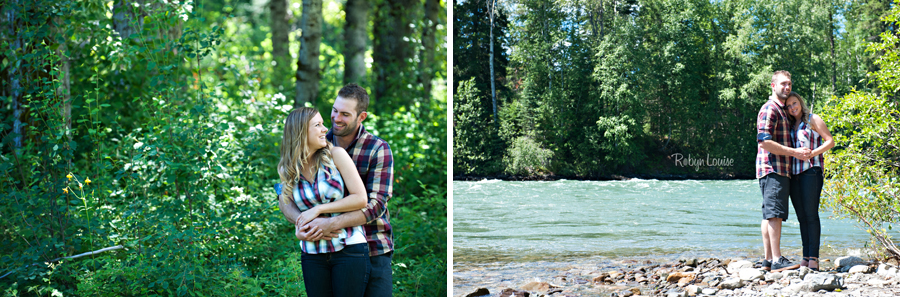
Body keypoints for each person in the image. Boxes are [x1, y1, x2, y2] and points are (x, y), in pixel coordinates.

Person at [286, 84, 395, 296]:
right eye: (335, 110)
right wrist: (302, 223)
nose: (336, 118)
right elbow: (285, 197)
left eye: (345, 114)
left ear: (361, 116)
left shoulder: (377, 149)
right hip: (324, 247)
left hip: (373, 246)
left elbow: (376, 205)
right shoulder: (317, 144)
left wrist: (330, 223)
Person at [276, 107, 371, 296]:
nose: (324, 129)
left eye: (322, 124)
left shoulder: (336, 155)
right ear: (301, 131)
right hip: (312, 253)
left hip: (348, 248)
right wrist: (300, 225)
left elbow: (361, 198)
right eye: (317, 125)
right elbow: (284, 200)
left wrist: (319, 209)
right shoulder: (288, 167)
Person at [756, 70, 809, 272]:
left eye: (789, 84)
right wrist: (795, 153)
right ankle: (778, 259)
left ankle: (768, 260)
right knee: (775, 214)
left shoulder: (781, 109)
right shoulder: (770, 109)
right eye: (783, 84)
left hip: (776, 169)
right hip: (773, 168)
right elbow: (764, 142)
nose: (787, 87)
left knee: (769, 214)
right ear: (773, 85)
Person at [784, 92, 834, 271]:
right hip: (794, 174)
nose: (792, 108)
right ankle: (805, 256)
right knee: (801, 217)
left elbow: (830, 141)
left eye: (794, 103)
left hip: (811, 171)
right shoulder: (790, 124)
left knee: (811, 215)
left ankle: (814, 258)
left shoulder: (813, 118)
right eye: (789, 106)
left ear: (800, 102)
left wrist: (813, 153)